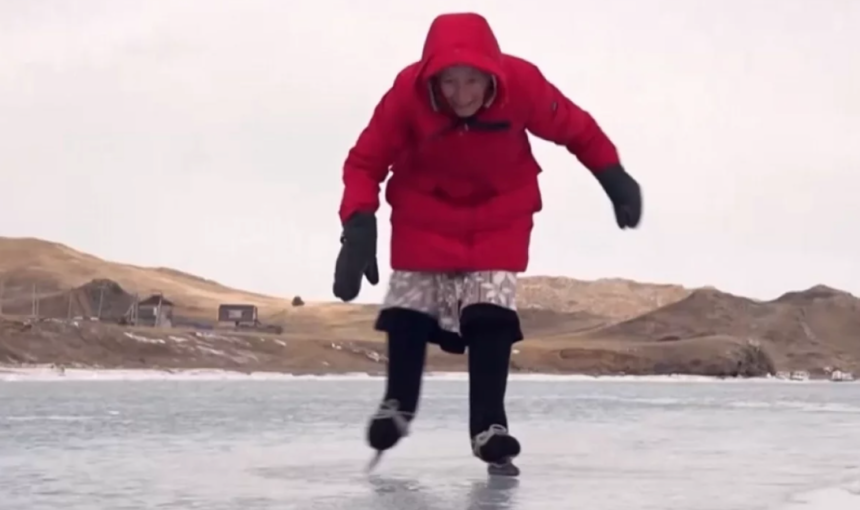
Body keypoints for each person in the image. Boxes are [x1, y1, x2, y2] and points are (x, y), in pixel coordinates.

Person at [332, 12, 642, 475]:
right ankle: (398, 404)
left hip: (501, 212)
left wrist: (611, 174)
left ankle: (489, 426)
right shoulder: (406, 95)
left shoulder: (523, 84)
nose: (461, 95)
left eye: (472, 80)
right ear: (431, 77)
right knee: (410, 308)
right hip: (424, 211)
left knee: (490, 313)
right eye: (449, 82)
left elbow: (576, 128)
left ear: (491, 74)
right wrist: (358, 224)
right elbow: (364, 162)